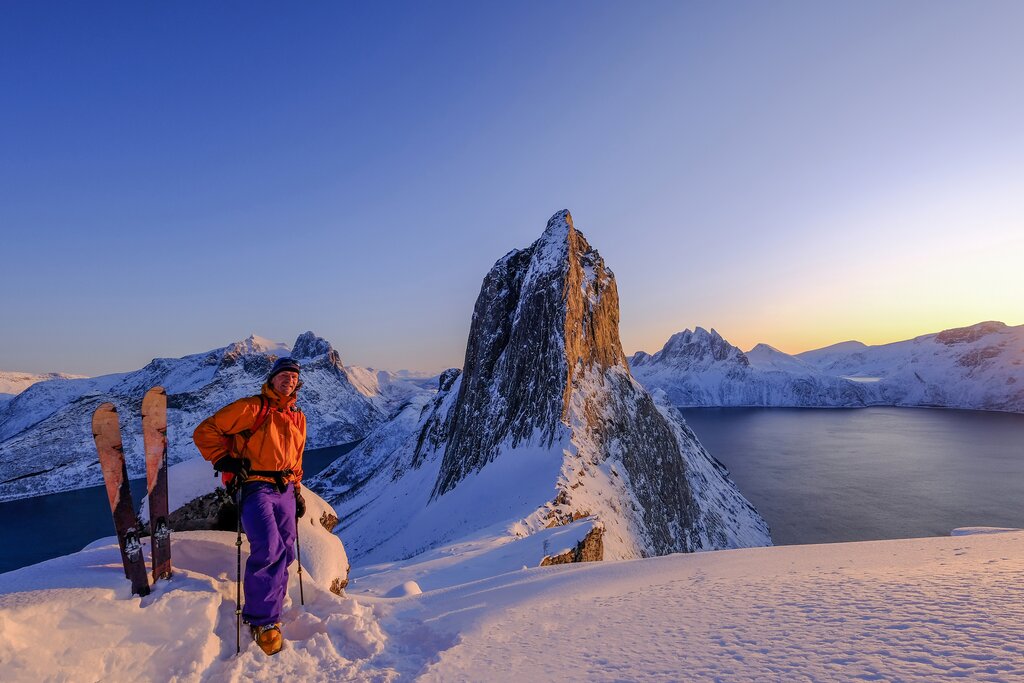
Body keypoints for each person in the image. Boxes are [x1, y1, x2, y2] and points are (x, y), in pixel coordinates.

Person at [193, 357, 307, 656]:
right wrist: (223, 459)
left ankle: (273, 606)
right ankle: (263, 620)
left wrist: (297, 490)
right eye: (284, 375)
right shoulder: (252, 408)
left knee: (287, 549)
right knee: (268, 548)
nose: (289, 381)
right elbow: (206, 431)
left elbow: (296, 459)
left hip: (284, 488)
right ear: (272, 380)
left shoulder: (297, 417)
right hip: (254, 485)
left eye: (294, 377)